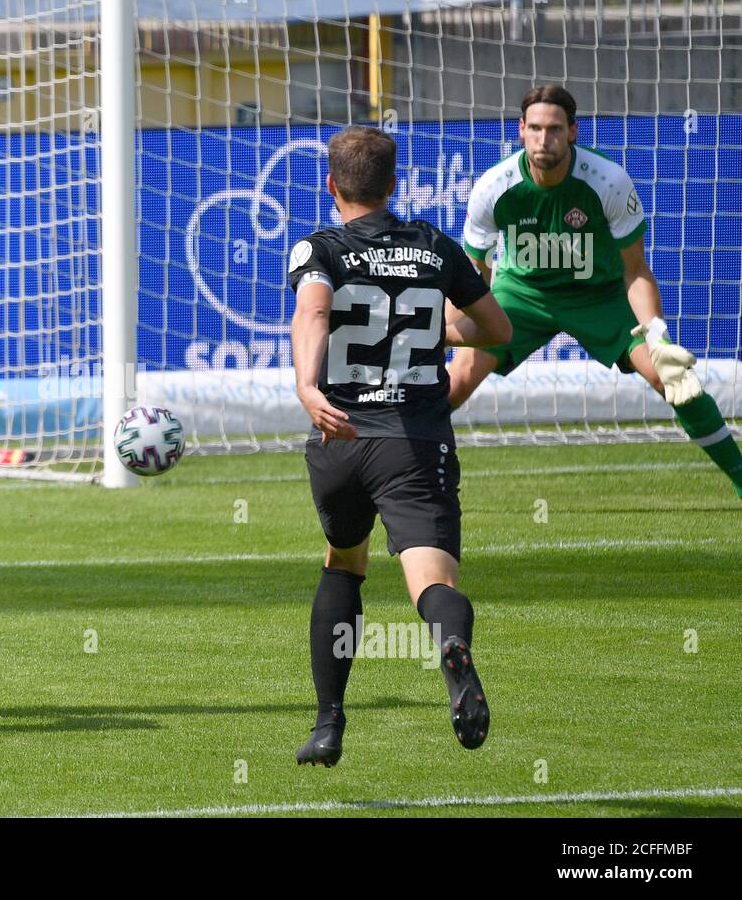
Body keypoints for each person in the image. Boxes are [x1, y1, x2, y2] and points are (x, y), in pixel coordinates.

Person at [289, 126, 513, 766]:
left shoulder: (319, 248)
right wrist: (433, 322)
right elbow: (494, 330)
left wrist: (307, 385)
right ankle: (452, 651)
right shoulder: (434, 246)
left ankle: (328, 723)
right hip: (412, 441)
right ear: (394, 185)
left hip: (339, 438)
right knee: (429, 581)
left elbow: (313, 313)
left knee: (343, 562)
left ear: (331, 186)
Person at [449, 84, 742, 498]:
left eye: (553, 129)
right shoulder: (493, 187)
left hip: (601, 295)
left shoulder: (608, 180)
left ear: (573, 131)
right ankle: (401, 473)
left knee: (673, 379)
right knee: (456, 381)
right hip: (521, 295)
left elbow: (636, 271)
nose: (542, 138)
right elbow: (472, 277)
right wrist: (448, 331)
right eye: (534, 128)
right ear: (520, 130)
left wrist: (658, 336)